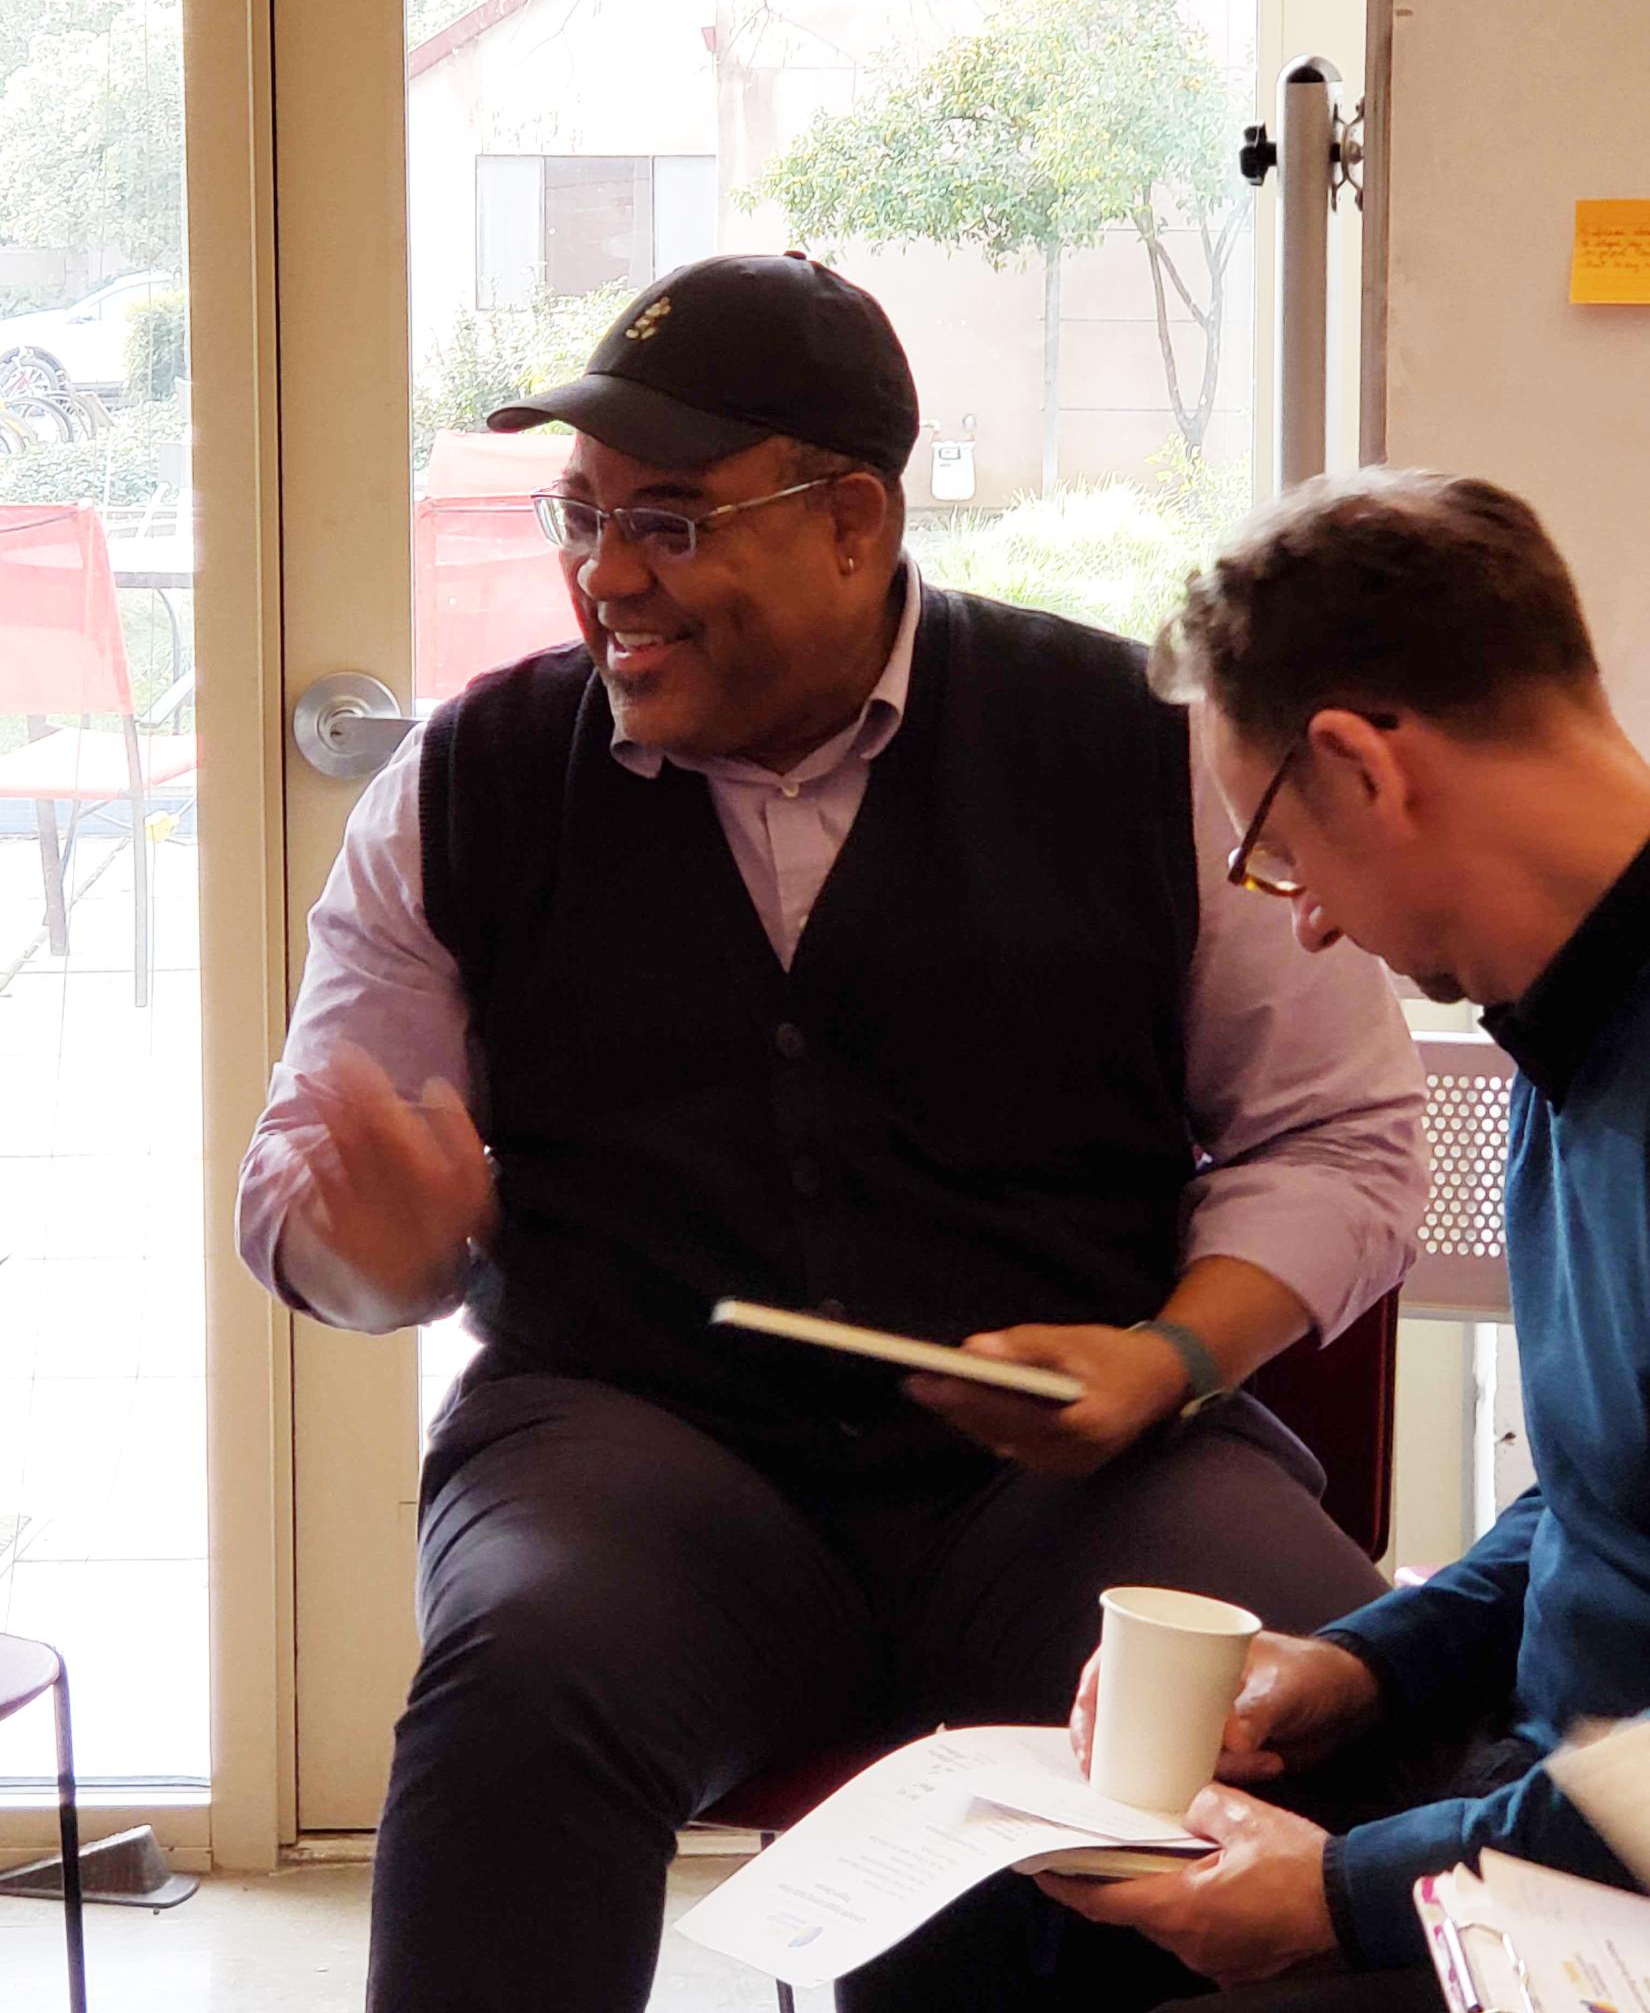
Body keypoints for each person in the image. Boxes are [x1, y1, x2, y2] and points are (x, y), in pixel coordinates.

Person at [236, 255, 1427, 2013]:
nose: (605, 579)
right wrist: (373, 1250)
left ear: (853, 518)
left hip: (1078, 1471)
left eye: (669, 520)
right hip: (634, 1452)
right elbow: (308, 1210)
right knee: (519, 1682)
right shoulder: (467, 782)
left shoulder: (1144, 750)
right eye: (580, 519)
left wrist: (1171, 1353)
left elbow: (1338, 1141)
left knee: (1345, 1712)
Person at [1048, 468, 1650, 2010]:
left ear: (1358, 765)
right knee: (1033, 1907)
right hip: (1561, 1809)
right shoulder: (1565, 1037)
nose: (1302, 919)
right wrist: (1368, 1657)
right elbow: (1604, 1510)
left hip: (1609, 1890)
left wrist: (1344, 1893)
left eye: (1275, 852)